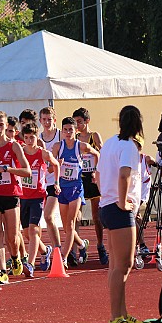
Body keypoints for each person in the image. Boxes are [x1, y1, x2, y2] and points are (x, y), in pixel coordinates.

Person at [97, 105, 151, 323]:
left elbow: (97, 175)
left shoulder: (110, 143)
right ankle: (115, 317)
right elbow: (124, 175)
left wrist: (106, 197)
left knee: (115, 266)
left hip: (107, 207)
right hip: (118, 210)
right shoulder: (129, 146)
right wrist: (121, 201)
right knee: (125, 264)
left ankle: (121, 315)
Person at [0, 111, 31, 284]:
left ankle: (16, 257)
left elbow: (27, 171)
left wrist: (7, 169)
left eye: (2, 125)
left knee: (12, 236)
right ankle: (2, 270)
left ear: (6, 126)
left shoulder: (14, 146)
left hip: (11, 195)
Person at [52, 117, 98, 267]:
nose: (67, 132)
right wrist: (56, 165)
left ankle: (64, 258)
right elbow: (49, 165)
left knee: (71, 224)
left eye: (70, 130)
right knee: (66, 227)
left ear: (75, 130)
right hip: (62, 188)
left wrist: (95, 171)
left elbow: (97, 154)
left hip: (76, 188)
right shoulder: (58, 146)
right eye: (65, 130)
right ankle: (82, 244)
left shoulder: (81, 146)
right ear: (62, 131)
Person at [19, 123, 60, 274]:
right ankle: (45, 251)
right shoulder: (21, 153)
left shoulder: (43, 153)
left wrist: (56, 182)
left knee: (33, 230)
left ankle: (30, 263)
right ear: (23, 139)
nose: (30, 140)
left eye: (32, 137)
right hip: (23, 196)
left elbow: (56, 165)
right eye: (27, 138)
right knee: (26, 233)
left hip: (38, 196)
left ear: (37, 137)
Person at [73, 108, 107, 264]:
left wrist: (96, 170)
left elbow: (102, 153)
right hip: (79, 179)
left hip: (92, 178)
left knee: (96, 216)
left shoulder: (94, 136)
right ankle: (76, 249)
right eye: (75, 122)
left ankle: (100, 246)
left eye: (79, 121)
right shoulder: (75, 137)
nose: (77, 125)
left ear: (87, 121)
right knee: (76, 217)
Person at [39, 107, 62, 257]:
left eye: (49, 119)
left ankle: (59, 251)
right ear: (40, 121)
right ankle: (56, 250)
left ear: (54, 120)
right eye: (44, 120)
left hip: (59, 182)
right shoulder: (37, 138)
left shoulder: (61, 135)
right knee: (47, 218)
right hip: (42, 182)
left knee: (51, 217)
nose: (47, 122)